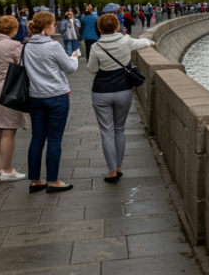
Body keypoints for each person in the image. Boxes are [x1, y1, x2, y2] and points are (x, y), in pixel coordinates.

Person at [88, 13, 155, 183]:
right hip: (123, 90)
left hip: (101, 91)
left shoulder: (96, 46)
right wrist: (151, 42)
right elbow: (142, 42)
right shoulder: (126, 41)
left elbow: (92, 69)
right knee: (119, 129)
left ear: (100, 28)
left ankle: (111, 171)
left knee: (106, 132)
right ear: (117, 26)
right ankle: (119, 167)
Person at [24, 11, 79, 193]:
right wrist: (75, 57)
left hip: (35, 96)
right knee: (54, 139)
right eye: (53, 24)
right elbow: (69, 68)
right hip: (56, 96)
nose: (55, 27)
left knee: (37, 138)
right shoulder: (53, 45)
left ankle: (35, 180)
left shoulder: (27, 45)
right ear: (46, 27)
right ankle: (53, 180)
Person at [0, 15, 29, 182]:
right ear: (15, 29)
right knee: (8, 130)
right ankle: (7, 170)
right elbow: (23, 65)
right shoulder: (15, 45)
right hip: (8, 89)